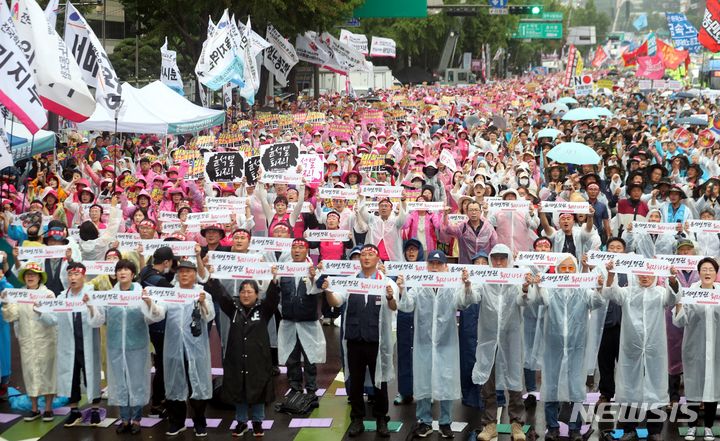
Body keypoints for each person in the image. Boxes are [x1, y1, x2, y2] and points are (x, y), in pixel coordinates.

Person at [323, 244, 398, 438]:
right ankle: (357, 419)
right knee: (355, 382)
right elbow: (336, 302)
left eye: (370, 254)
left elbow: (394, 306)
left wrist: (390, 296)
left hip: (377, 340)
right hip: (355, 339)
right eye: (363, 254)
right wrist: (328, 291)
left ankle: (382, 418)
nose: (366, 258)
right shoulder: (350, 281)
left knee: (379, 381)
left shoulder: (387, 282)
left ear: (378, 258)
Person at [602, 261, 681, 441]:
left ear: (655, 275)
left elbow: (673, 299)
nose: (645, 276)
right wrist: (611, 274)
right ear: (636, 274)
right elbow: (610, 293)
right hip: (631, 350)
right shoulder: (628, 291)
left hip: (654, 350)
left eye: (649, 273)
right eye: (641, 273)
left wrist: (673, 279)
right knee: (630, 386)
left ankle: (654, 430)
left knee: (655, 386)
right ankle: (628, 428)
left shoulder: (661, 292)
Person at [87, 259, 164, 435]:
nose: (122, 273)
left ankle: (136, 418)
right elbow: (99, 319)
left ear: (133, 274)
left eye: (126, 270)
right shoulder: (109, 296)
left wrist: (148, 302)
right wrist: (90, 306)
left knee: (136, 383)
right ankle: (124, 418)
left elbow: (155, 316)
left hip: (137, 346)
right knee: (120, 383)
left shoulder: (140, 293)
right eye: (119, 270)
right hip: (115, 346)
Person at [534, 255, 605, 441]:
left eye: (570, 268)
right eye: (563, 269)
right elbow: (541, 300)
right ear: (557, 271)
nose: (566, 272)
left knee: (575, 388)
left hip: (576, 348)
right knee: (551, 387)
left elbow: (597, 302)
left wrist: (598, 287)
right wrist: (540, 285)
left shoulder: (583, 291)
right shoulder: (550, 290)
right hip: (553, 348)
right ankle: (552, 427)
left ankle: (575, 429)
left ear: (576, 271)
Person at [398, 250, 468, 439]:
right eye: (432, 264)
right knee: (423, 380)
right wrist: (402, 289)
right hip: (424, 343)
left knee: (446, 380)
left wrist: (466, 286)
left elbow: (464, 302)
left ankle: (446, 422)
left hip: (447, 343)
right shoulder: (419, 286)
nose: (435, 268)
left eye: (439, 264)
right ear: (426, 266)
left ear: (446, 267)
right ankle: (425, 421)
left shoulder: (453, 286)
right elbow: (406, 306)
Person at [466, 244, 532, 441]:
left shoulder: (516, 280)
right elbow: (471, 298)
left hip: (511, 338)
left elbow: (523, 301)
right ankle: (489, 425)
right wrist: (468, 285)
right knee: (488, 383)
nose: (499, 262)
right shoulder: (485, 280)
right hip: (488, 339)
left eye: (503, 259)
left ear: (509, 260)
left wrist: (526, 288)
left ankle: (517, 425)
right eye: (495, 258)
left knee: (514, 382)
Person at [214, 275, 280, 438]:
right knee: (239, 389)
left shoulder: (263, 309)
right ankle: (241, 422)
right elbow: (222, 296)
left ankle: (258, 422)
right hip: (237, 357)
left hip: (258, 359)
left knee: (258, 389)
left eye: (250, 292)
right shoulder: (233, 308)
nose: (245, 295)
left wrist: (274, 282)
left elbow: (272, 298)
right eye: (242, 291)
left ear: (257, 294)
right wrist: (213, 279)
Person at [160, 260, 215, 437]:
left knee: (197, 383)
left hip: (196, 347)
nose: (184, 275)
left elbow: (210, 316)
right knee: (175, 383)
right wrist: (149, 303)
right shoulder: (169, 294)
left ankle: (199, 421)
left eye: (188, 272)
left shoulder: (202, 293)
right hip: (174, 346)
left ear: (195, 275)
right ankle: (177, 421)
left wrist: (203, 303)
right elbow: (158, 313)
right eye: (181, 272)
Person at [1, 261, 57, 421]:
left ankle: (48, 408)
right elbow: (10, 317)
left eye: (33, 274)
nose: (30, 277)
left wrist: (40, 311)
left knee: (48, 373)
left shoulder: (48, 294)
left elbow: (53, 319)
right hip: (27, 341)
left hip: (46, 341)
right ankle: (34, 409)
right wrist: (6, 302)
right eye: (27, 275)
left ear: (40, 277)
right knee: (30, 373)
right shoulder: (19, 295)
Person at [673, 257, 720, 441]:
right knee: (693, 386)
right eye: (704, 269)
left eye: (711, 269)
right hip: (694, 348)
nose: (707, 272)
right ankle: (692, 426)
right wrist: (678, 303)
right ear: (698, 272)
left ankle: (708, 426)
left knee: (713, 386)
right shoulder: (690, 293)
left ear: (716, 273)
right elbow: (680, 321)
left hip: (716, 349)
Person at [57, 262, 103, 427]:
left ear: (83, 276)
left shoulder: (92, 295)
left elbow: (99, 321)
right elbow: (53, 320)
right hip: (69, 346)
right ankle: (74, 410)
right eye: (70, 275)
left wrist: (90, 306)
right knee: (72, 376)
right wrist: (40, 310)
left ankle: (95, 410)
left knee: (92, 375)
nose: (73, 278)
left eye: (76, 275)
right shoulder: (62, 297)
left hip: (87, 344)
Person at [277, 238, 324, 398]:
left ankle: (311, 389)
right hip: (288, 321)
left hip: (308, 322)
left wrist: (313, 277)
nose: (296, 250)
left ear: (307, 250)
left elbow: (320, 290)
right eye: (294, 247)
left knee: (310, 357)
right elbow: (276, 290)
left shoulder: (314, 269)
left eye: (300, 247)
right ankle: (295, 388)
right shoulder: (284, 268)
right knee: (292, 357)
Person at [138, 246, 176, 418]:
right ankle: (158, 402)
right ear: (167, 262)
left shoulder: (145, 272)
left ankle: (157, 400)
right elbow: (175, 295)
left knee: (160, 362)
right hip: (161, 326)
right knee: (163, 364)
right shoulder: (159, 281)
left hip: (150, 325)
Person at [394, 238, 424, 406]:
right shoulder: (399, 270)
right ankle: (404, 391)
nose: (411, 252)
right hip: (404, 315)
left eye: (414, 249)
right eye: (408, 250)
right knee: (404, 352)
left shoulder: (427, 269)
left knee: (424, 354)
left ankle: (426, 390)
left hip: (422, 315)